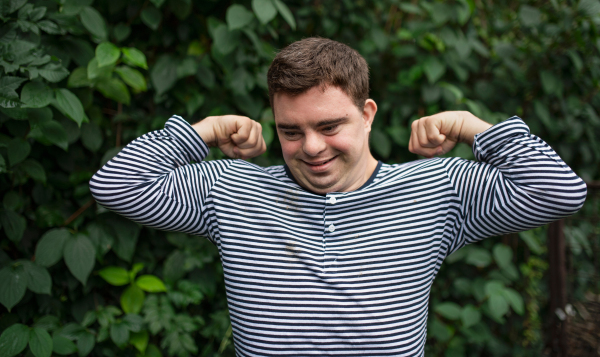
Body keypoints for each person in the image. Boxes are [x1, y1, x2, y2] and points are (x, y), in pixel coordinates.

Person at [90, 37, 587, 356]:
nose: (310, 147)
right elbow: (114, 187)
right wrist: (203, 131)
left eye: (330, 126)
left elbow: (560, 192)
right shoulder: (232, 189)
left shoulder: (436, 189)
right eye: (290, 131)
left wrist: (474, 128)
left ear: (367, 113)